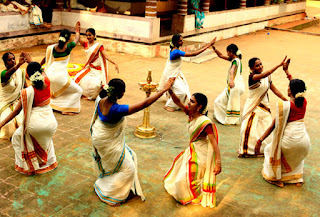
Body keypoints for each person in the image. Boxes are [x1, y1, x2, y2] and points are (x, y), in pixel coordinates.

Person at [90, 77, 175, 206]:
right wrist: (164, 90)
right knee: (129, 169)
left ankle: (109, 185)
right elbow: (144, 104)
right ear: (121, 94)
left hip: (100, 138)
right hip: (107, 141)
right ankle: (111, 194)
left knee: (130, 155)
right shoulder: (117, 110)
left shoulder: (100, 100)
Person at [164, 90, 222, 207]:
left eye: (192, 101)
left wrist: (218, 163)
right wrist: (170, 90)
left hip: (202, 155)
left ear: (199, 106)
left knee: (181, 181)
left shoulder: (205, 123)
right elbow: (178, 102)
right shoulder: (191, 114)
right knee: (176, 180)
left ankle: (197, 193)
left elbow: (214, 143)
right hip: (193, 150)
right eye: (190, 100)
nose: (189, 103)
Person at [0, 62, 58, 175]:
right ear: (41, 73)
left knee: (17, 137)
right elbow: (42, 71)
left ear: (27, 75)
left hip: (35, 126)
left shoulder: (27, 92)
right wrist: (31, 62)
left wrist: (1, 123)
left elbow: (16, 112)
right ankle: (50, 163)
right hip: (51, 123)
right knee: (46, 139)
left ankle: (27, 167)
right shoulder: (47, 81)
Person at [259, 60, 310, 187]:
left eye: (288, 87)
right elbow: (295, 85)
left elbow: (272, 126)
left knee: (268, 150)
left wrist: (260, 140)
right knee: (297, 156)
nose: (287, 88)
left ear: (290, 90)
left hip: (290, 142)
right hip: (305, 142)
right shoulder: (303, 102)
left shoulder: (285, 106)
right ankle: (296, 178)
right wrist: (287, 72)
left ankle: (274, 178)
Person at [238, 56, 288, 157]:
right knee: (249, 129)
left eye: (261, 64)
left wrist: (285, 99)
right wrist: (278, 65)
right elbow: (265, 74)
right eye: (257, 65)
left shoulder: (267, 78)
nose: (260, 66)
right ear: (252, 69)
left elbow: (275, 90)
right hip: (253, 106)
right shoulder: (252, 77)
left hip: (264, 106)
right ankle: (247, 150)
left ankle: (263, 149)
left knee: (266, 127)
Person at [159, 34, 216, 112]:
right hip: (171, 75)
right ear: (175, 42)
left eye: (182, 40)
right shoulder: (175, 52)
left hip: (175, 73)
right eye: (180, 41)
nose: (182, 42)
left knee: (184, 90)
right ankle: (169, 105)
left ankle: (176, 103)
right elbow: (194, 54)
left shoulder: (175, 49)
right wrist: (208, 45)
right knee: (181, 92)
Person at [43, 22, 83, 115]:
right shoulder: (68, 47)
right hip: (60, 77)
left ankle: (54, 105)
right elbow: (77, 39)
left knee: (60, 91)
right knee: (78, 91)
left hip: (50, 74)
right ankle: (66, 109)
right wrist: (77, 30)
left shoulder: (52, 47)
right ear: (68, 39)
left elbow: (45, 59)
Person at [75, 28, 119, 100]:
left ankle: (94, 96)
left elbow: (106, 56)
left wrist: (114, 63)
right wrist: (77, 30)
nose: (88, 37)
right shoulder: (85, 44)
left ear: (94, 35)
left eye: (90, 35)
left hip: (97, 69)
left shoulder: (98, 46)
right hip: (89, 68)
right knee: (79, 79)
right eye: (87, 35)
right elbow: (78, 39)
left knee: (95, 84)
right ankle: (84, 94)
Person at [0, 52, 31, 139]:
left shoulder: (20, 73)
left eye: (13, 59)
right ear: (5, 63)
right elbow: (8, 74)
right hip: (5, 103)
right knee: (8, 127)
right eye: (9, 60)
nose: (12, 61)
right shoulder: (3, 74)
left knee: (22, 122)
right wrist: (19, 64)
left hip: (17, 102)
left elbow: (26, 88)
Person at [212, 44, 245, 125]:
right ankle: (231, 118)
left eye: (227, 52)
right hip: (239, 85)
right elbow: (220, 55)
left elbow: (232, 70)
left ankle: (225, 118)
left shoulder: (235, 61)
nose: (226, 54)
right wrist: (214, 48)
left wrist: (231, 80)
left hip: (234, 86)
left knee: (218, 102)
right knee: (227, 102)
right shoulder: (237, 59)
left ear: (231, 52)